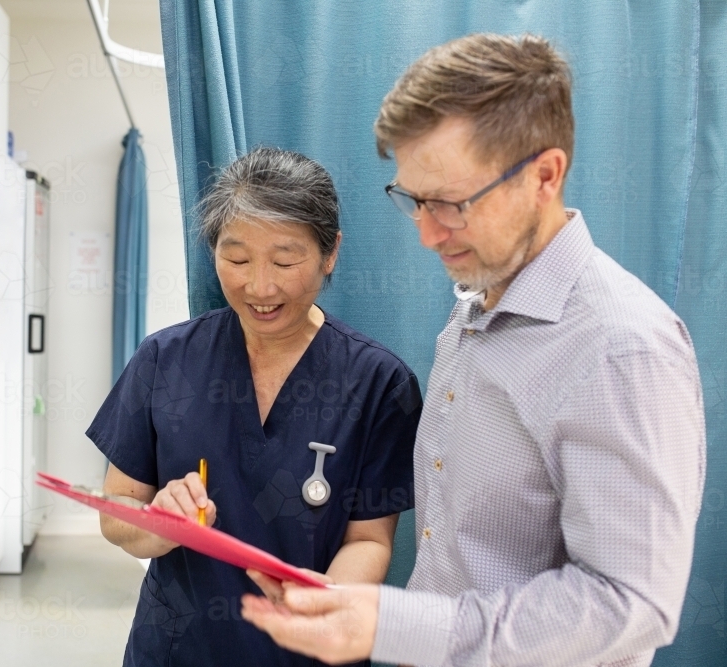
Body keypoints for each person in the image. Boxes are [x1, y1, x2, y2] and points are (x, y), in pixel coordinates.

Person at [241, 33, 707, 667]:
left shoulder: (621, 348)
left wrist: (395, 625)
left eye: (453, 204)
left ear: (545, 176)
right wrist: (357, 610)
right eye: (414, 200)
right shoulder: (476, 299)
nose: (430, 235)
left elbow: (628, 605)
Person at [88, 147, 423, 667]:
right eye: (237, 259)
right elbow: (118, 512)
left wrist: (321, 602)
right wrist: (156, 523)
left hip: (305, 650)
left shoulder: (378, 382)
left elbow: (372, 540)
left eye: (285, 260)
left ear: (330, 253)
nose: (259, 286)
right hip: (177, 649)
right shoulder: (165, 360)